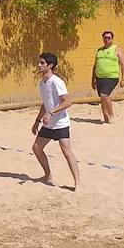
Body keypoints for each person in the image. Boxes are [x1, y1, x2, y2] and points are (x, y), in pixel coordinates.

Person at [32, 52, 81, 190]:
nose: (39, 65)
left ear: (50, 65)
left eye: (42, 63)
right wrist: (37, 120)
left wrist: (51, 112)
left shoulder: (57, 82)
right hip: (48, 124)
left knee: (67, 152)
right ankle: (48, 175)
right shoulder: (42, 83)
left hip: (60, 123)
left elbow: (68, 102)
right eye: (39, 62)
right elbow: (45, 103)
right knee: (36, 148)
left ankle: (77, 183)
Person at [91, 31, 124, 124]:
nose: (106, 39)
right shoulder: (99, 51)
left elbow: (123, 64)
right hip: (99, 77)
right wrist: (92, 79)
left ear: (112, 39)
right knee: (102, 98)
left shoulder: (117, 49)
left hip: (111, 77)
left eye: (108, 38)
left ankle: (111, 115)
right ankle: (106, 118)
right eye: (105, 38)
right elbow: (95, 66)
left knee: (104, 95)